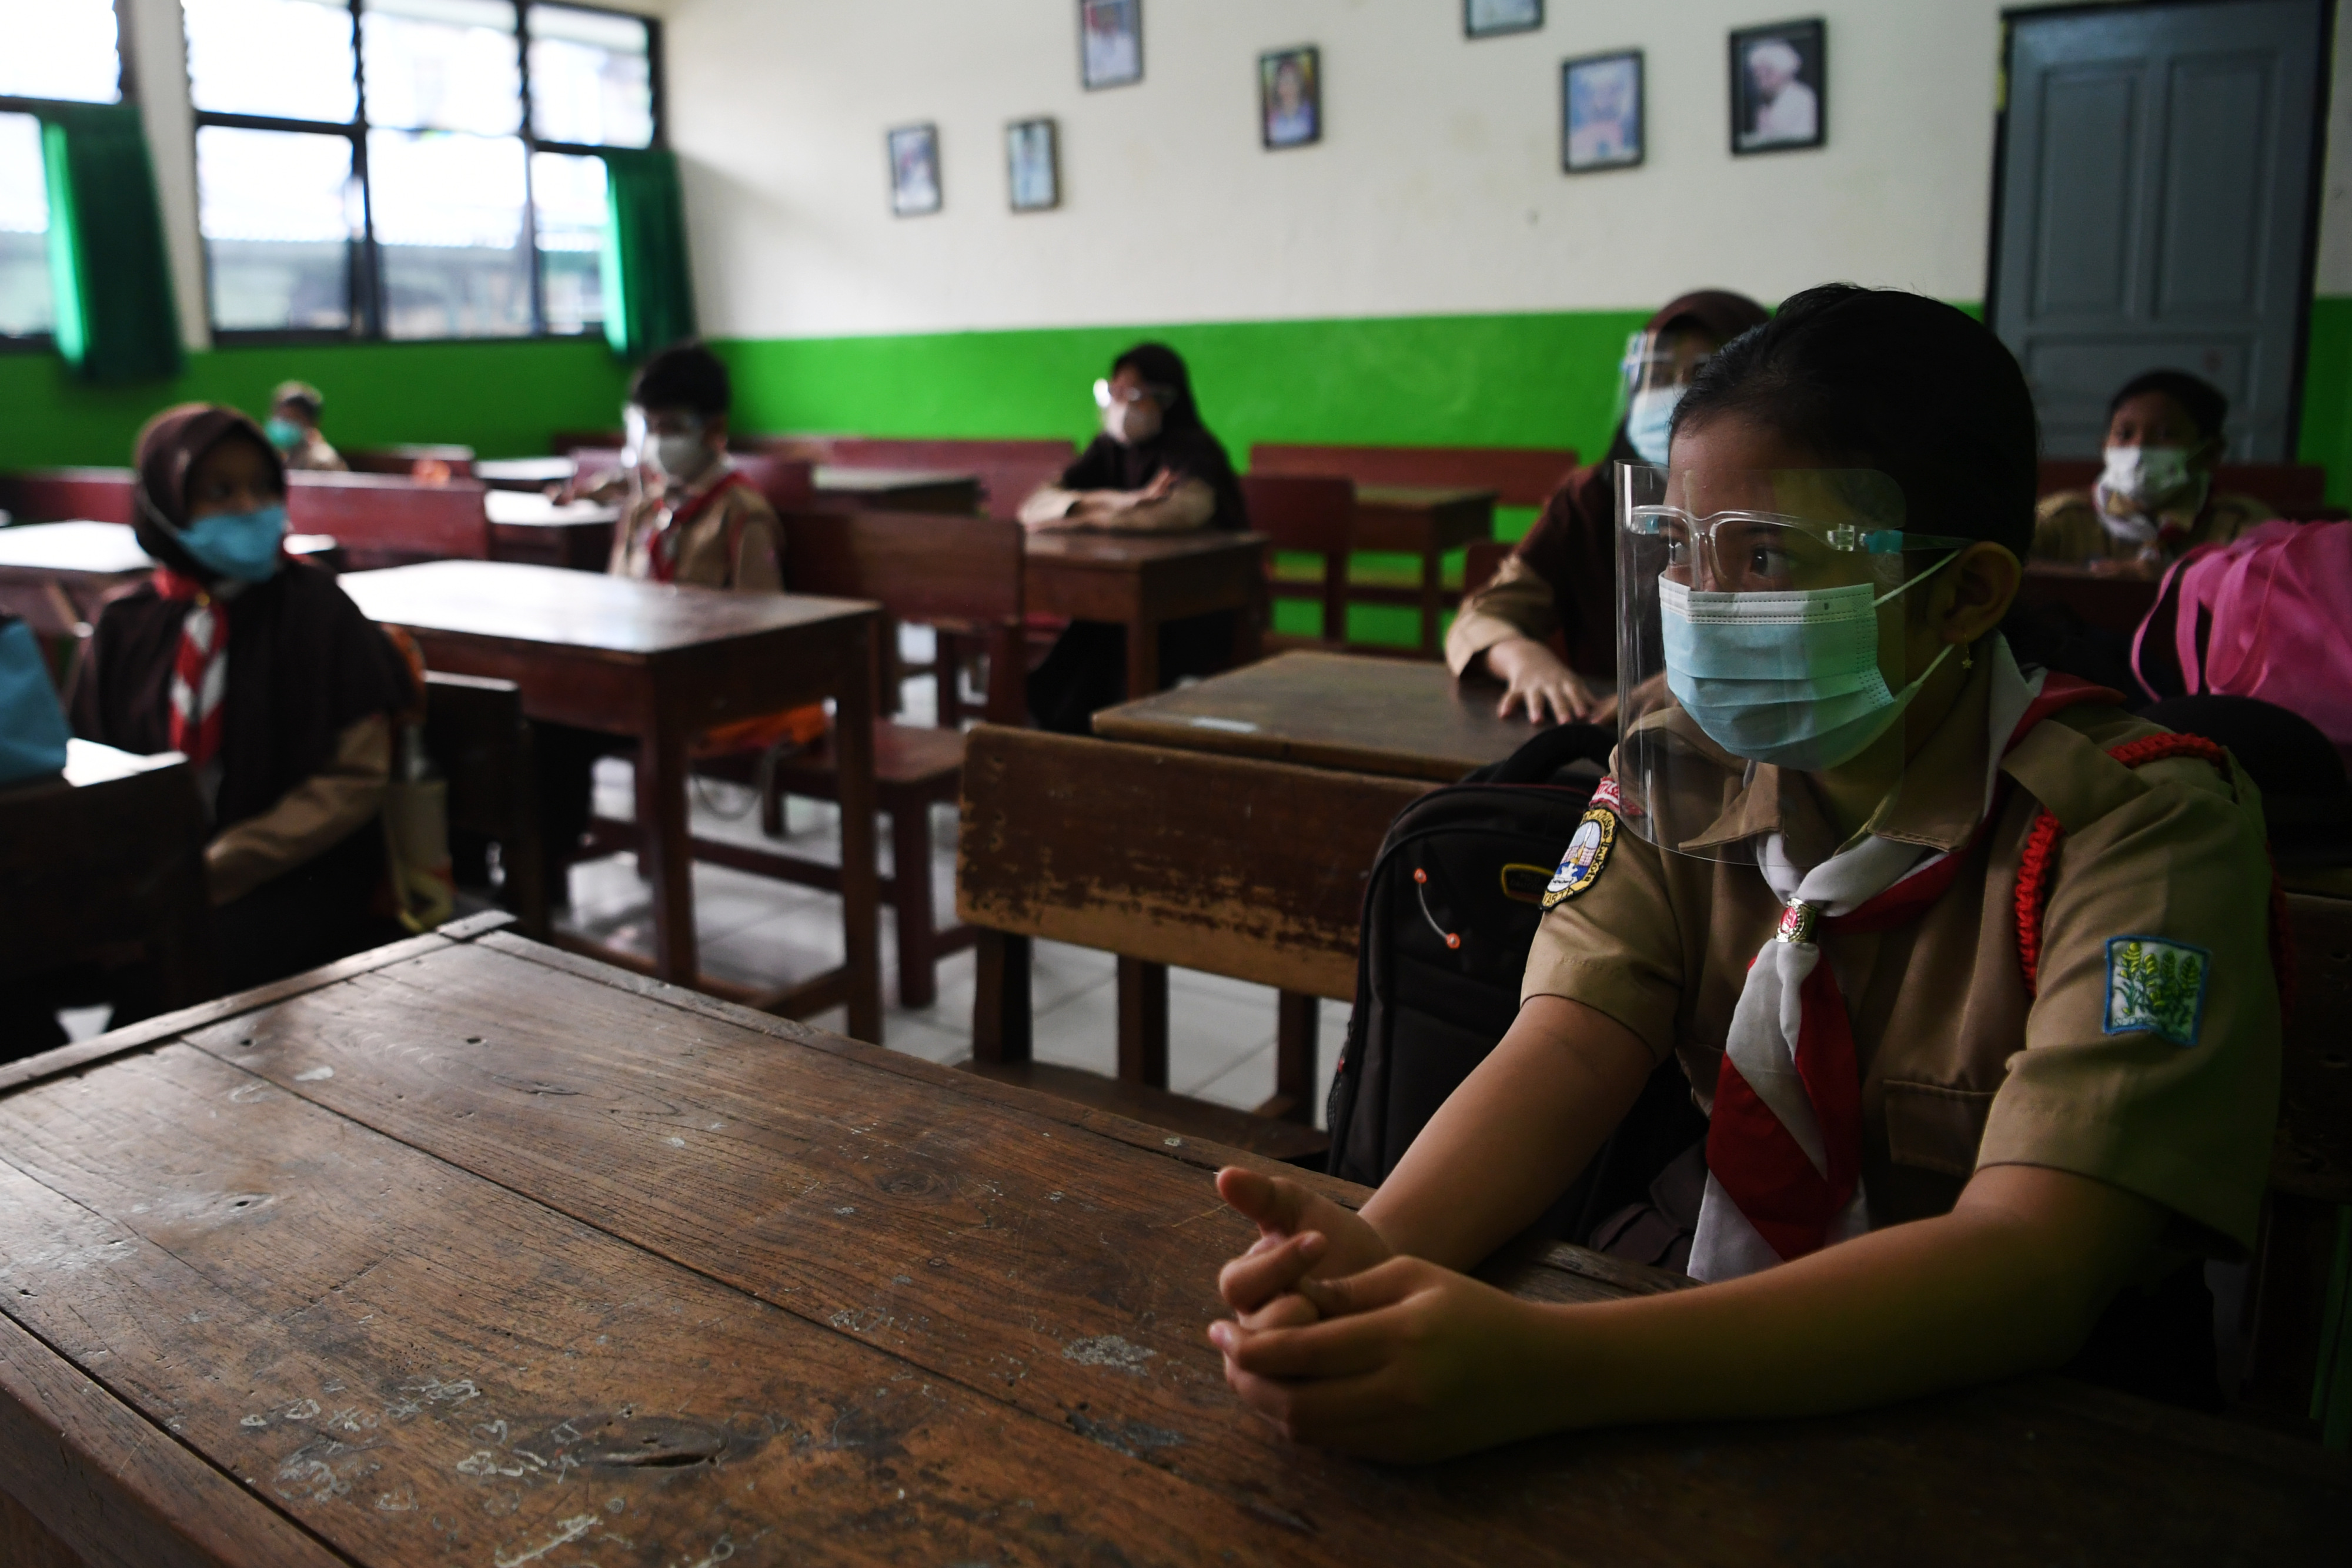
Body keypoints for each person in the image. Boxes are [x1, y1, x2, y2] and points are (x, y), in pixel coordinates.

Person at [1207, 286, 2280, 1460]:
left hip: (2022, 1419)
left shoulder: (2138, 829)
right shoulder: (1679, 756)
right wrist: (1377, 1247)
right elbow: (1569, 1041)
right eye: (1680, 549)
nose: (1703, 608)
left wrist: (1540, 1363)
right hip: (1691, 1334)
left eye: (1763, 555)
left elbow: (2031, 1260)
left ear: (1965, 592)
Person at [74, 404, 415, 997]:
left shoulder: (316, 607)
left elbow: (355, 779)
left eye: (263, 487)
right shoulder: (126, 624)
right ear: (165, 503)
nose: (248, 508)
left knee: (185, 963)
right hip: (157, 871)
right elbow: (90, 767)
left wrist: (218, 867)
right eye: (218, 491)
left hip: (297, 870)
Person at [535, 343, 800, 905]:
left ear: (715, 429)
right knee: (538, 713)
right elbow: (617, 594)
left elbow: (764, 630)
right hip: (638, 677)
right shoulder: (646, 505)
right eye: (648, 426)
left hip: (699, 688)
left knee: (558, 730)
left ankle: (542, 874)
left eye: (672, 426)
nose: (658, 442)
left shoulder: (742, 514)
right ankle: (540, 871)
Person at [1448, 290, 1770, 724]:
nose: (1673, 393)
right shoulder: (1592, 498)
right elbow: (1484, 615)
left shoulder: (1777, 504)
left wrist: (1694, 680)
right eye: (1658, 376)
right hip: (1608, 740)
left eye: (1700, 375)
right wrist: (1522, 658)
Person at [1018, 343, 1250, 734]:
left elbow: (1177, 513)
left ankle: (1108, 742)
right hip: (1122, 596)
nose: (1121, 405)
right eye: (1115, 392)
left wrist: (1079, 515)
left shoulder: (1193, 450)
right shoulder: (1107, 449)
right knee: (1093, 633)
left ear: (1167, 398)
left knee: (1109, 640)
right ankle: (1073, 738)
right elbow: (1035, 506)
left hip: (1192, 602)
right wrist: (1123, 502)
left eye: (1135, 394)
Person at [2033, 369, 2269, 572]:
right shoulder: (2060, 518)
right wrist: (2089, 578)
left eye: (2165, 435)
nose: (2139, 449)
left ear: (2210, 453)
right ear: (2104, 448)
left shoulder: (2241, 525)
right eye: (2125, 435)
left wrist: (2174, 582)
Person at [1740, 38, 1818, 148]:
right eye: (1757, 73)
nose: (1761, 79)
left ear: (1785, 72)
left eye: (1768, 72)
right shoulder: (1763, 104)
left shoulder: (1803, 99)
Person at [265, 380, 347, 472]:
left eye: (292, 419)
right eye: (281, 417)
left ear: (312, 423)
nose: (284, 424)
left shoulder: (322, 461)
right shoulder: (285, 455)